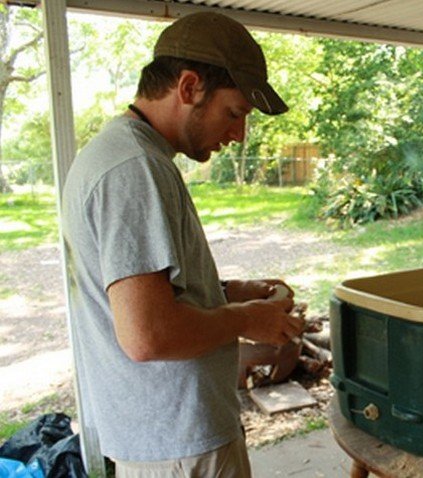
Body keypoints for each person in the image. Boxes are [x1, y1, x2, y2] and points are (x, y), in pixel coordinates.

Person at [61, 12, 304, 477]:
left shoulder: (124, 155)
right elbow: (148, 334)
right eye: (234, 113)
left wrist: (229, 291)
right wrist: (248, 319)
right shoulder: (134, 168)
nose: (238, 135)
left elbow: (146, 296)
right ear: (189, 87)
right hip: (178, 444)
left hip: (166, 436)